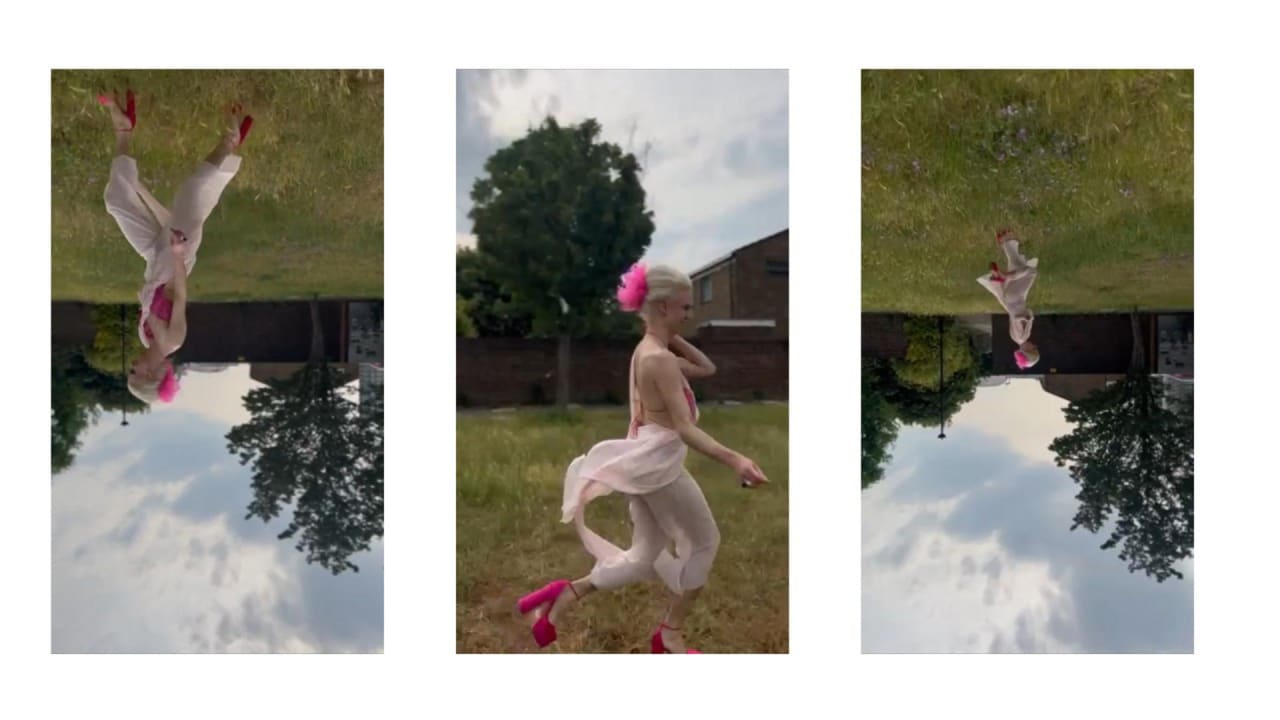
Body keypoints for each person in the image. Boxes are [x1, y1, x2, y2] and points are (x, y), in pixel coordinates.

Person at [517, 263, 770, 653]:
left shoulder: (651, 352)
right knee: (705, 543)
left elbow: (707, 368)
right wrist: (736, 459)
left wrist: (670, 334)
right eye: (684, 308)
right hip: (659, 471)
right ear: (664, 307)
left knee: (642, 558)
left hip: (649, 465)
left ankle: (562, 597)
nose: (690, 314)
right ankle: (668, 635)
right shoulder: (658, 360)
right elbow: (684, 428)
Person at [98, 89, 253, 402]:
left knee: (116, 201)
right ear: (152, 375)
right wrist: (180, 254)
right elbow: (180, 294)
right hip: (176, 258)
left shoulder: (145, 335)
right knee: (194, 190)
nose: (132, 367)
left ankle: (124, 129)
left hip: (154, 259)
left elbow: (151, 292)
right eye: (134, 374)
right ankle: (229, 143)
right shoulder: (173, 340)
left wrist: (142, 194)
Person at [977, 228, 1040, 370]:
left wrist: (1029, 318)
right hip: (1014, 299)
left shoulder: (1020, 338)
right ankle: (1005, 241)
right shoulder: (1019, 338)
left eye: (1033, 349)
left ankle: (1003, 276)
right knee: (1018, 265)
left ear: (1027, 350)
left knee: (1031, 272)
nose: (1035, 345)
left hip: (1015, 299)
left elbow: (1017, 318)